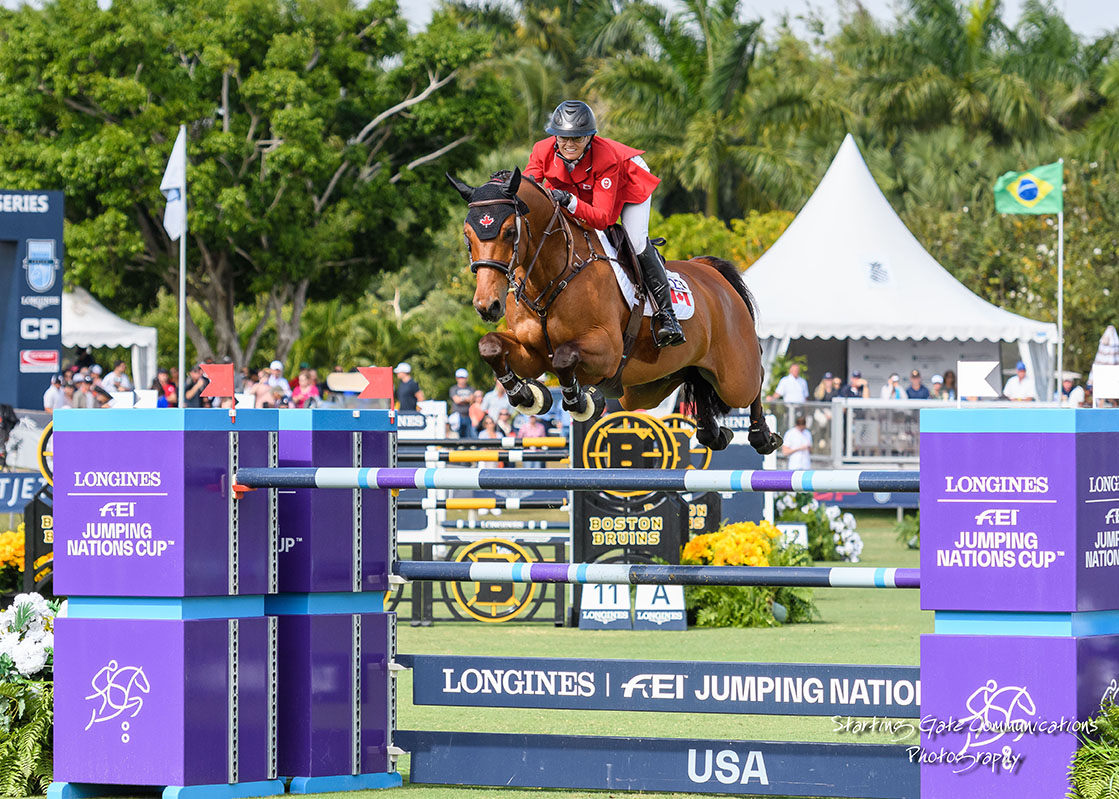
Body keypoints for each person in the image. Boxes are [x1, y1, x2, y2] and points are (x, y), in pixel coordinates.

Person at [524, 100, 684, 347]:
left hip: (629, 179)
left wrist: (569, 200)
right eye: (563, 138)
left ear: (589, 138)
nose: (568, 144)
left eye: (576, 138)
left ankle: (667, 316)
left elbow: (604, 218)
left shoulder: (606, 158)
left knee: (636, 240)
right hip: (583, 188)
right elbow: (528, 191)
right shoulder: (541, 150)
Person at [448, 368, 475, 438]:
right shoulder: (453, 388)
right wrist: (466, 399)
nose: (462, 380)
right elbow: (456, 400)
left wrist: (461, 399)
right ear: (457, 378)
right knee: (456, 436)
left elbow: (471, 400)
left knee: (468, 437)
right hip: (457, 417)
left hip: (468, 416)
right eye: (460, 378)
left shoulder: (471, 388)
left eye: (464, 378)